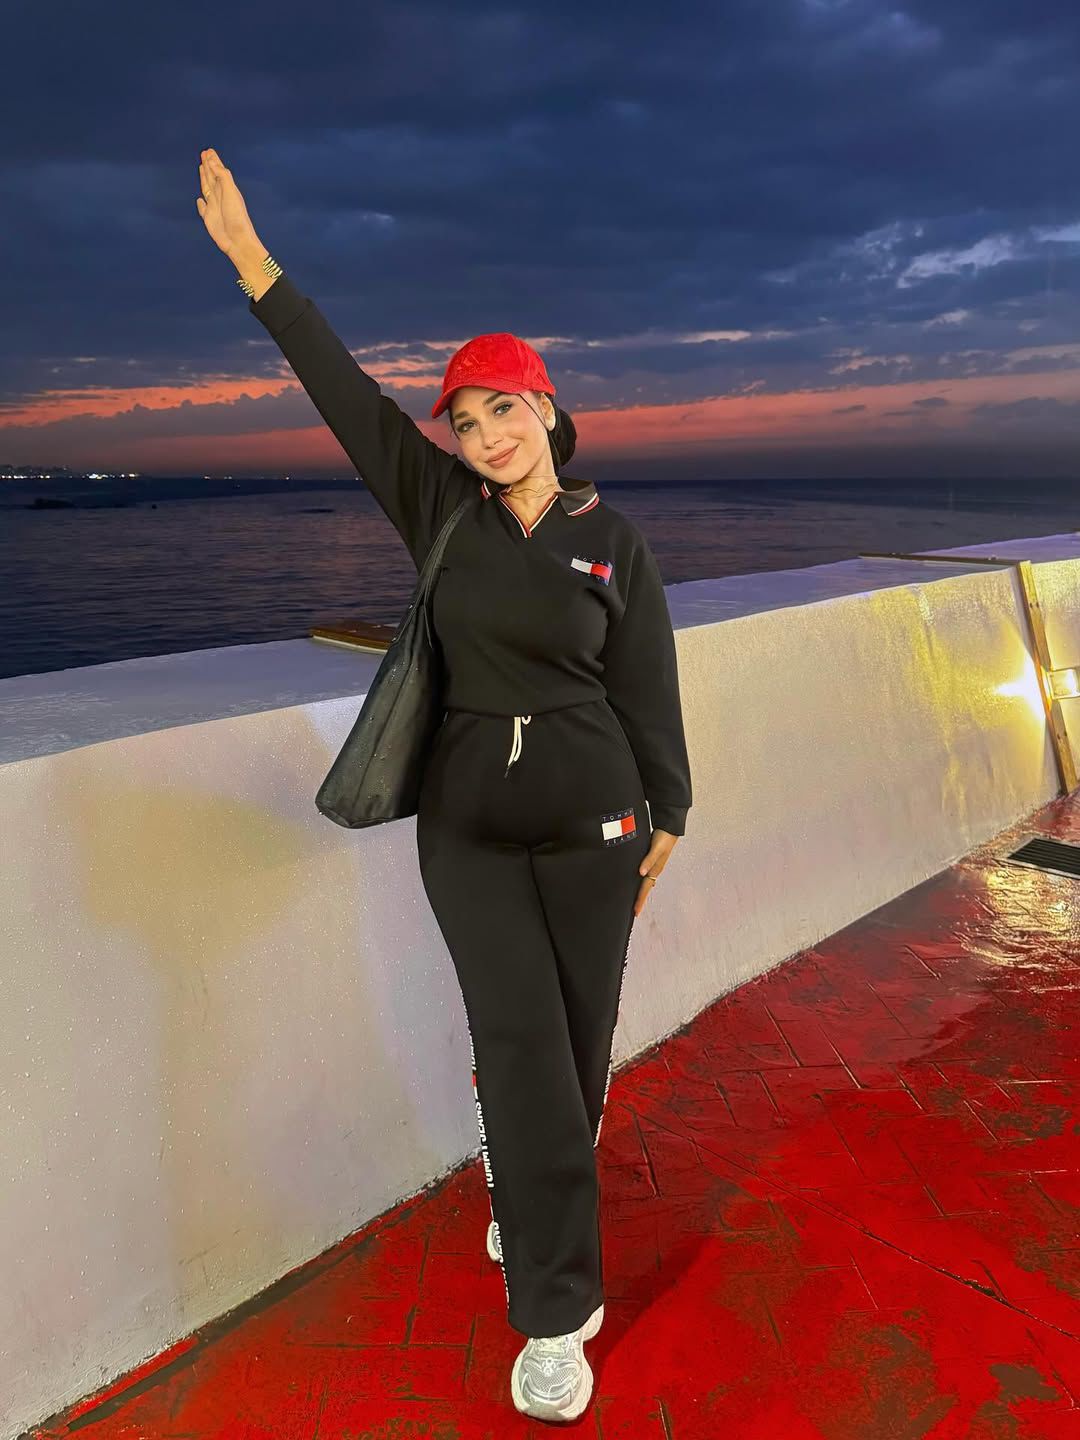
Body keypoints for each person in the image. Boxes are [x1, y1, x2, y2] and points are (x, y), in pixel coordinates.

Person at [196, 147, 692, 1424]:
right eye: (464, 424)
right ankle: (556, 1312)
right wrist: (258, 269)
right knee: (520, 1041)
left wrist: (670, 814)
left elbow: (647, 686)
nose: (482, 438)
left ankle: (524, 1186)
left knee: (577, 1048)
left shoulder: (611, 542)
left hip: (596, 825)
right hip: (469, 828)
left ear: (548, 411)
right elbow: (347, 397)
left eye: (501, 413)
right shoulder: (443, 512)